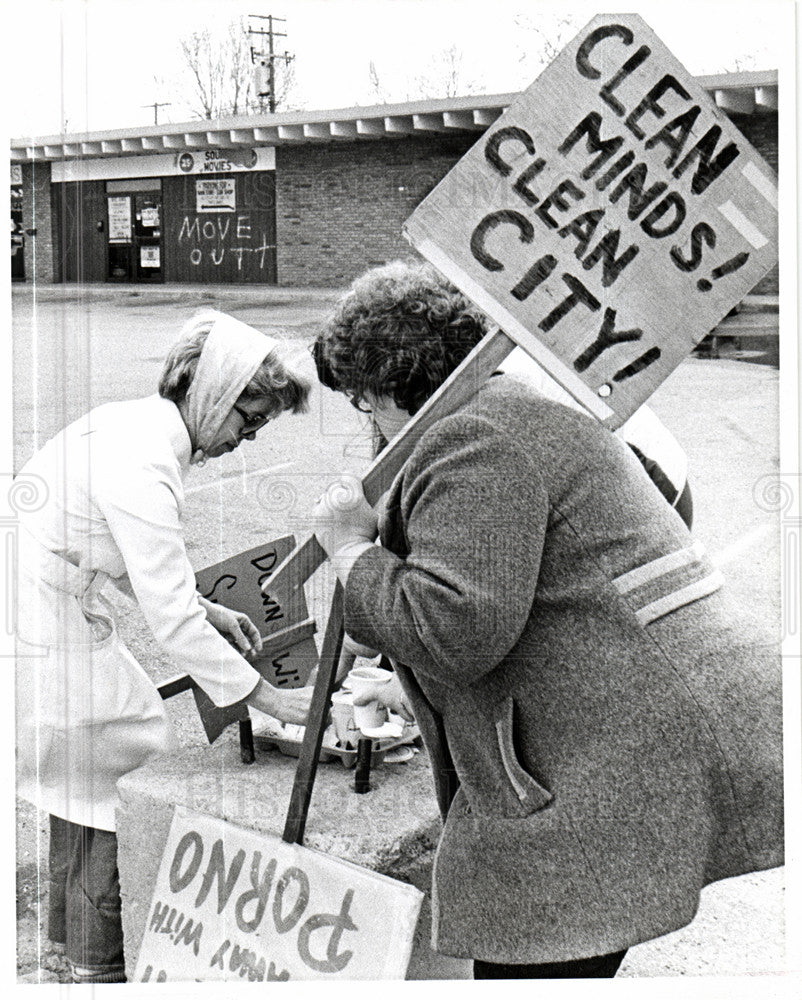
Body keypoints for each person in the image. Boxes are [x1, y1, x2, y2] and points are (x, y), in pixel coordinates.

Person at [310, 261, 783, 980]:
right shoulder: (504, 412)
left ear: (379, 388)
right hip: (644, 720)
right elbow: (502, 594)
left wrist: (348, 549)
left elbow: (455, 628)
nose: (366, 422)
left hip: (632, 741)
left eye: (361, 403)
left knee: (535, 948)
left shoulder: (474, 438)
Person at [15, 310, 314, 983]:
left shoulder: (136, 425)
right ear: (212, 394)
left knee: (77, 772)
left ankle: (69, 944)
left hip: (45, 606)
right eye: (248, 420)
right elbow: (168, 616)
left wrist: (209, 610)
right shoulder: (148, 462)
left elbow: (113, 551)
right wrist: (268, 699)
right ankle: (100, 960)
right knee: (126, 755)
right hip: (41, 620)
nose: (248, 439)